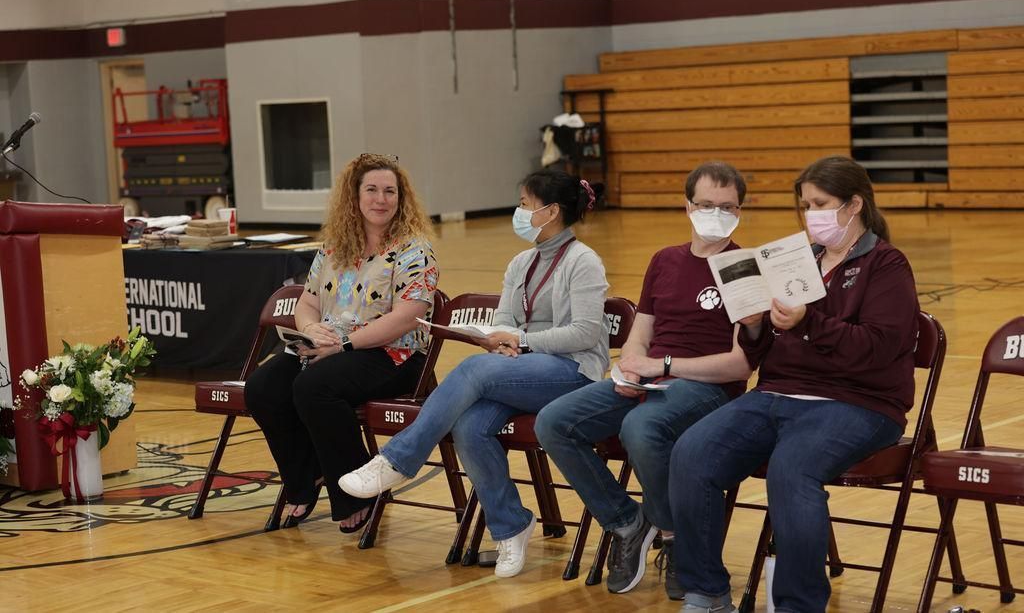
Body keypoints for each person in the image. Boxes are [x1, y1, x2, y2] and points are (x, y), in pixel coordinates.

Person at [670, 156, 919, 613]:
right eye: (805, 205)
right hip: (778, 392)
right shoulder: (797, 261)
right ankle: (705, 592)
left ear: (854, 204)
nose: (811, 215)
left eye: (820, 204)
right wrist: (753, 327)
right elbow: (765, 350)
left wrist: (808, 323)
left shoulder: (886, 264)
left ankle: (798, 605)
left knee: (791, 468)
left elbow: (879, 347)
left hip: (859, 402)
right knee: (691, 452)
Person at [340, 169, 608, 578]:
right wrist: (500, 340)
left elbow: (586, 333)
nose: (518, 210)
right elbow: (504, 320)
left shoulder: (583, 261)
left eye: (524, 203)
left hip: (573, 373)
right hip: (522, 368)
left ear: (551, 211)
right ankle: (511, 526)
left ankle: (397, 458)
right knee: (470, 426)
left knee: (474, 370)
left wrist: (519, 341)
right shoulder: (521, 262)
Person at [535, 162, 752, 600]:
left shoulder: (744, 267)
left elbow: (738, 366)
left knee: (641, 427)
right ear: (688, 206)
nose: (717, 214)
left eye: (728, 207)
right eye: (708, 205)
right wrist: (631, 366)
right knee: (554, 422)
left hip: (709, 390)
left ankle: (674, 539)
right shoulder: (665, 260)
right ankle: (628, 523)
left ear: (741, 211)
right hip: (652, 379)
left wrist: (665, 365)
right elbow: (642, 332)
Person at [244, 153, 438, 533]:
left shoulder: (415, 249)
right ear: (354, 196)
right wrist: (312, 329)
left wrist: (344, 345)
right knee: (263, 388)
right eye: (372, 190)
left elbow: (407, 316)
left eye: (389, 191)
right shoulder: (335, 246)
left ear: (401, 199)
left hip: (393, 355)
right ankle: (308, 477)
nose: (381, 199)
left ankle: (355, 493)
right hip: (332, 349)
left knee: (315, 386)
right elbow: (308, 301)